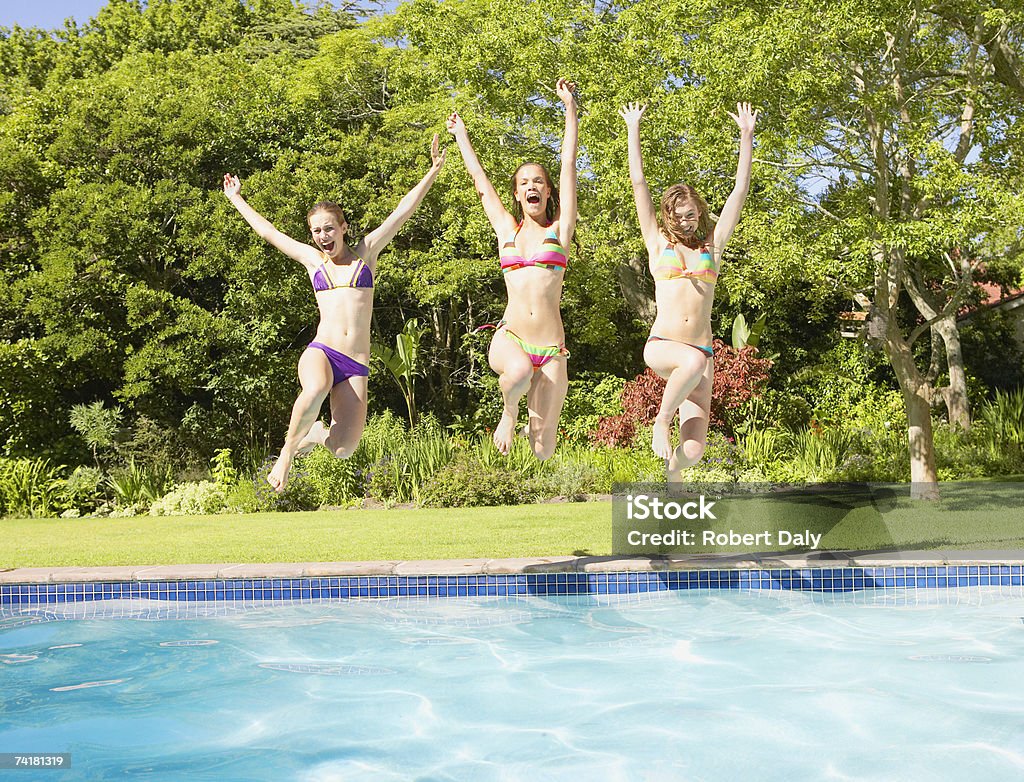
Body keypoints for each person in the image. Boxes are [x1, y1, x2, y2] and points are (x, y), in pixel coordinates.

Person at [223, 136, 446, 491]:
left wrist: (432, 172)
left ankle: (316, 433)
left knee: (344, 448)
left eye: (329, 228)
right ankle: (286, 453)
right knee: (316, 387)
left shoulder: (366, 254)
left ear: (343, 227)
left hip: (355, 363)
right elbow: (269, 232)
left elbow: (402, 211)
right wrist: (237, 198)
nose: (323, 236)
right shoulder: (314, 262)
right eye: (316, 231)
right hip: (322, 352)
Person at [620, 101, 758, 479]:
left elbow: (739, 192)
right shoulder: (656, 242)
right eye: (678, 215)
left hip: (702, 353)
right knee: (692, 363)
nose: (685, 219)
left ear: (699, 211)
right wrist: (633, 128)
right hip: (664, 345)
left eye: (691, 213)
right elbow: (638, 183)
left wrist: (746, 136)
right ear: (668, 215)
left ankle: (674, 470)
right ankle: (661, 422)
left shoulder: (712, 246)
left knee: (695, 449)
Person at [446, 79, 578, 459]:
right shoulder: (507, 229)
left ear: (548, 191)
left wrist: (570, 108)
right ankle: (508, 412)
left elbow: (568, 164)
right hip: (512, 339)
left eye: (538, 181)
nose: (531, 186)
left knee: (543, 446)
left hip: (552, 348)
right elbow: (481, 185)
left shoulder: (560, 231)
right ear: (517, 194)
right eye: (524, 183)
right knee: (517, 373)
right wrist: (462, 137)